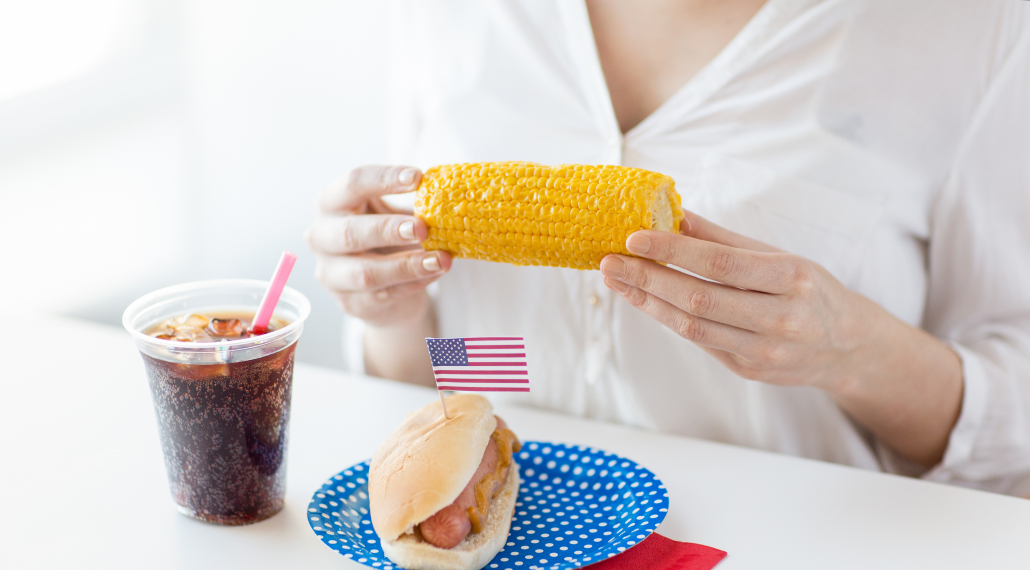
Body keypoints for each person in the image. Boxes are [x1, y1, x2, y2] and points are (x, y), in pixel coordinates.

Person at [306, 0, 1030, 495]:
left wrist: (857, 352)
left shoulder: (972, 30)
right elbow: (481, 361)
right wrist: (393, 322)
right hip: (497, 551)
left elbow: (1013, 407)